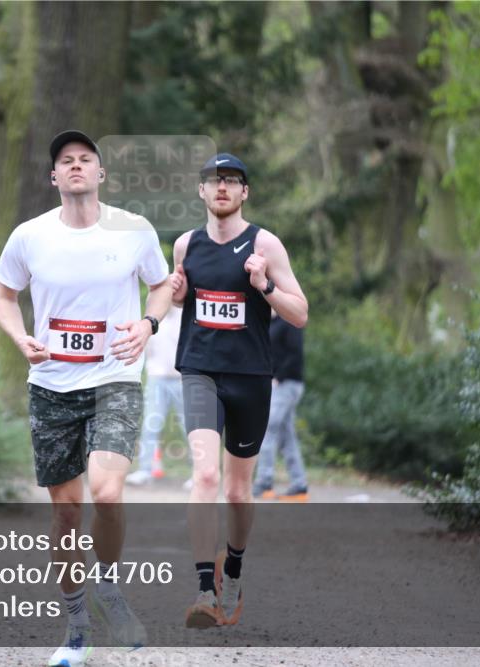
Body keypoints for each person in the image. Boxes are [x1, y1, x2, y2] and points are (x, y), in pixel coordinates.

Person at [0, 130, 172, 666]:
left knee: (108, 492)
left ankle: (110, 589)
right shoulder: (29, 236)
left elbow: (162, 286)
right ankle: (76, 628)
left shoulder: (134, 230)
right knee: (67, 513)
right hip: (52, 386)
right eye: (65, 161)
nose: (75, 167)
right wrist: (19, 336)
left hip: (115, 378)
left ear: (100, 175)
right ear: (53, 177)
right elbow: (4, 297)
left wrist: (147, 323)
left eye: (85, 160)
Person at [169, 153, 308, 628]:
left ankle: (235, 567)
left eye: (231, 181)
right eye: (213, 180)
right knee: (206, 475)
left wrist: (263, 284)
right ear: (201, 191)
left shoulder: (265, 243)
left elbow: (300, 312)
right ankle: (205, 589)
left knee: (236, 489)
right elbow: (182, 298)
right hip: (199, 369)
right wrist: (176, 292)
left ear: (245, 192)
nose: (222, 187)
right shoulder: (186, 245)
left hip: (250, 376)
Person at [126, 305, 185, 486]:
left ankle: (199, 474)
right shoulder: (151, 319)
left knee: (190, 427)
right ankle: (145, 470)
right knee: (150, 426)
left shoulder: (185, 314)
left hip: (182, 379)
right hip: (157, 379)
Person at [252, 316, 308, 501]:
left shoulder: (288, 320)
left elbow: (295, 353)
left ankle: (264, 483)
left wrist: (279, 377)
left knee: (267, 429)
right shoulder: (270, 321)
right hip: (276, 384)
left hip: (287, 384)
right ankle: (299, 485)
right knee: (287, 435)